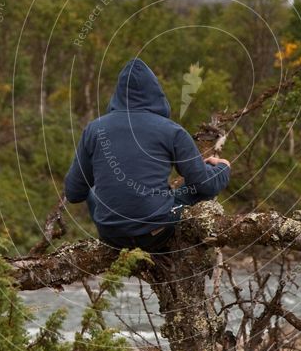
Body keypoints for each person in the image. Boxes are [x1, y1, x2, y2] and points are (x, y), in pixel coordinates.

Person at [64, 58, 231, 252]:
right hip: (155, 235)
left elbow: (74, 193)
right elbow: (205, 185)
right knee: (196, 187)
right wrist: (222, 168)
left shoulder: (94, 129)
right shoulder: (172, 131)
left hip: (111, 236)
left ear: (117, 95)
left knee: (93, 191)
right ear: (156, 93)